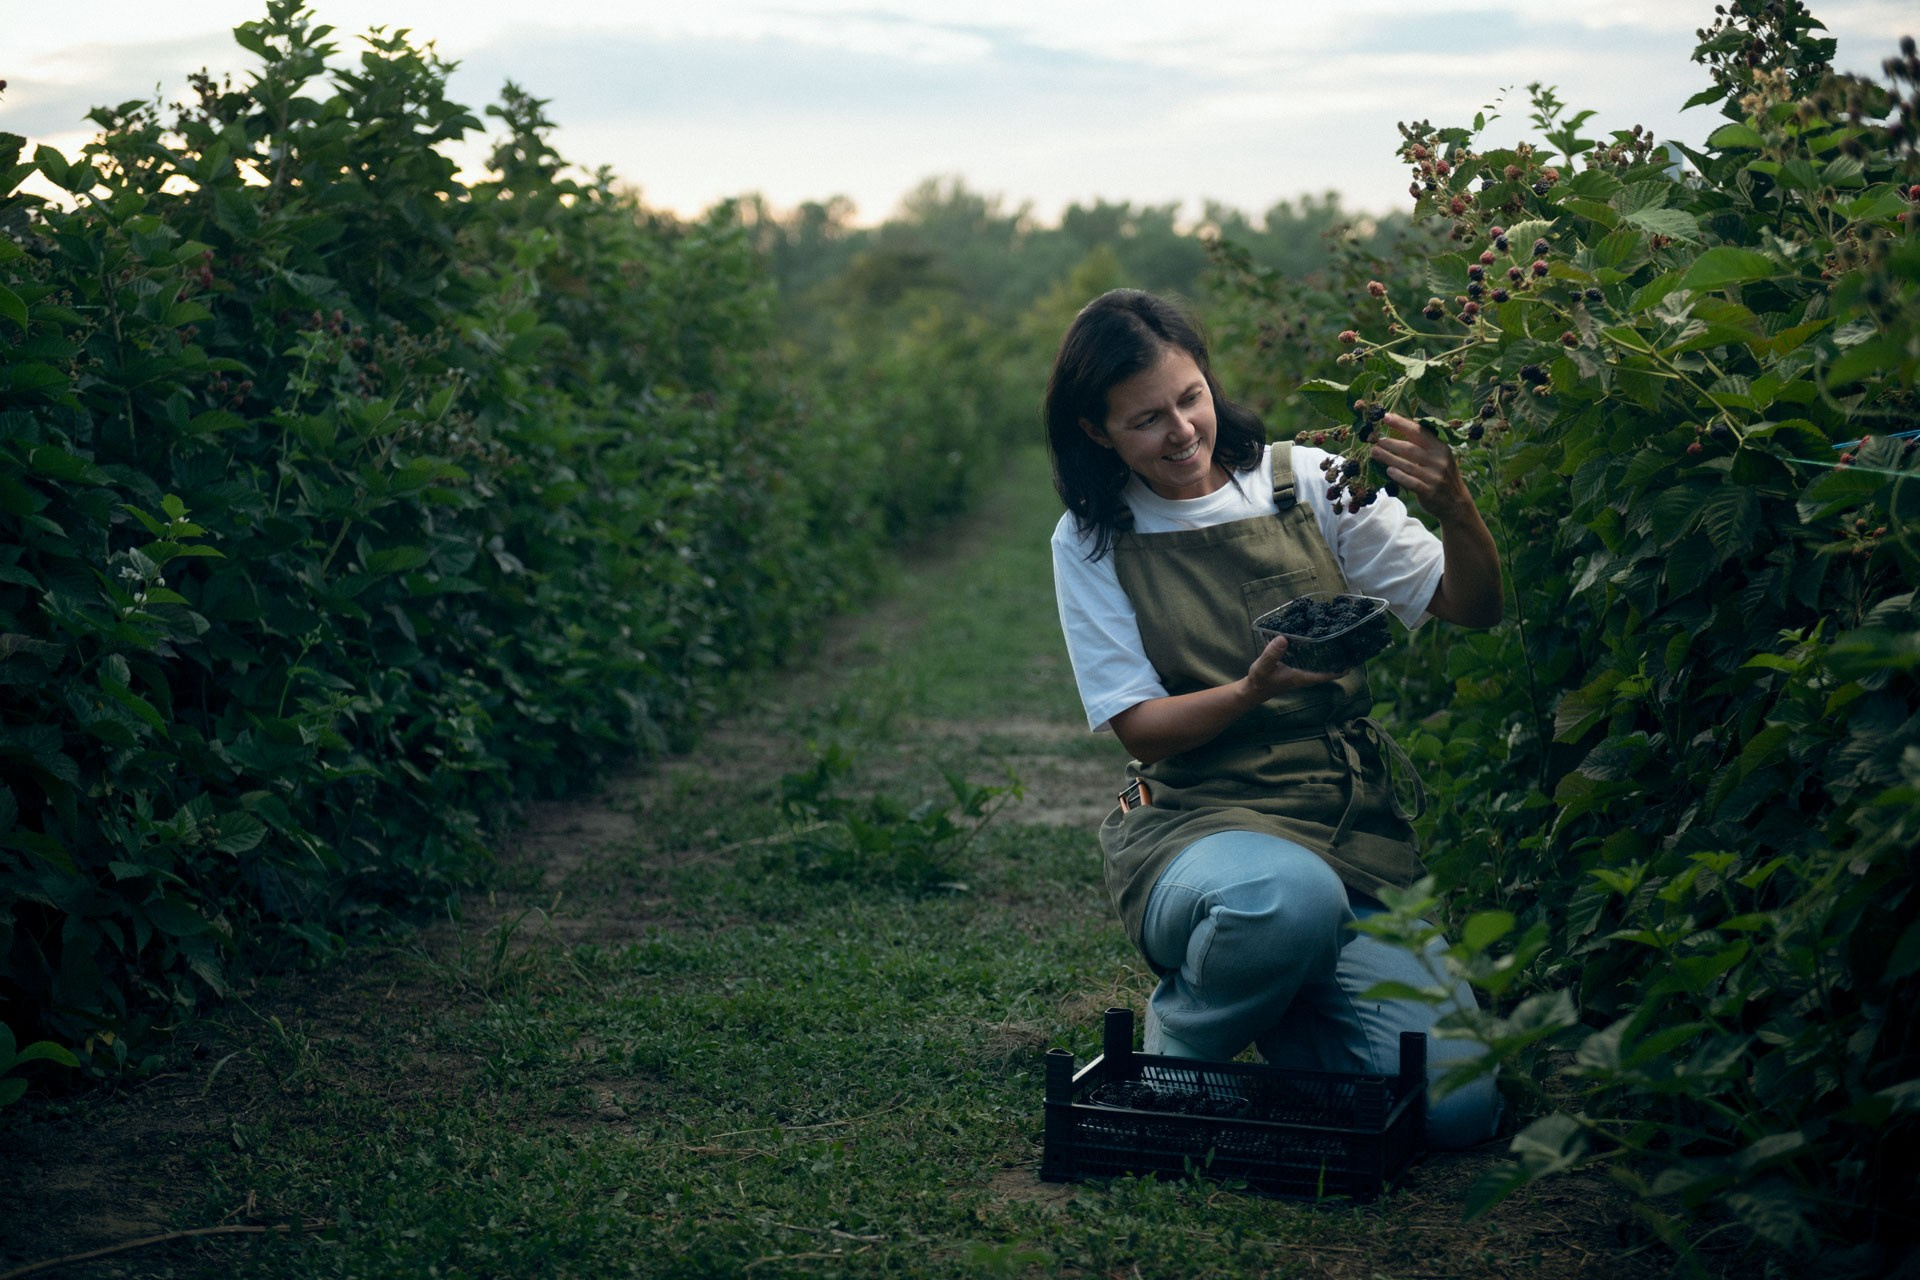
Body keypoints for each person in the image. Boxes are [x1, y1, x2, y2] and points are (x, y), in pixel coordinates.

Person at [1045, 289, 1503, 1150]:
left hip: (1347, 823)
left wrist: (1456, 505)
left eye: (1190, 398)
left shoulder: (1311, 482)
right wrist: (1252, 691)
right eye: (1146, 419)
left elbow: (1469, 606)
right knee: (1284, 899)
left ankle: (1286, 993)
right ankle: (1184, 1045)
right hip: (1199, 823)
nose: (1181, 431)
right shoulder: (1094, 538)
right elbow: (1142, 729)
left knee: (1456, 1110)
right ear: (1097, 431)